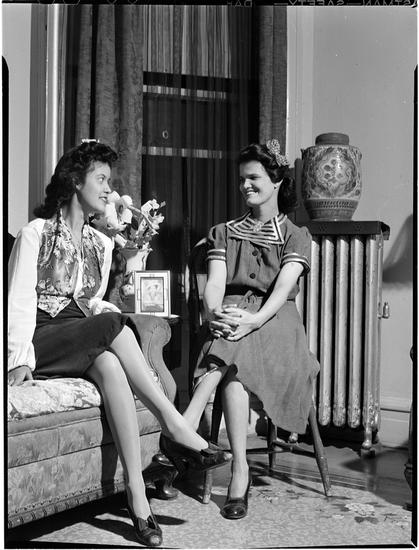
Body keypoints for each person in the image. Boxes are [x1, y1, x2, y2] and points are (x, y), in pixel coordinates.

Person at [7, 141, 231, 546]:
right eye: (101, 179)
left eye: (110, 181)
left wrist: (106, 310)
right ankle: (174, 425)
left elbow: (89, 300)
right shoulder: (34, 233)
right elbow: (19, 300)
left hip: (78, 333)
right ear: (75, 181)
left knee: (111, 365)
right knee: (115, 325)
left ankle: (136, 494)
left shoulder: (101, 243)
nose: (109, 189)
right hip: (43, 336)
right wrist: (18, 360)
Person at [181, 140, 320, 520]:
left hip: (278, 319)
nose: (245, 185)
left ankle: (185, 425)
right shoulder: (223, 232)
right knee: (234, 372)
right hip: (232, 312)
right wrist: (214, 312)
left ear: (276, 181)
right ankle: (240, 470)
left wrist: (253, 320)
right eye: (242, 178)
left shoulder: (296, 235)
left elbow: (282, 289)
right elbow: (215, 282)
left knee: (233, 342)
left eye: (254, 178)